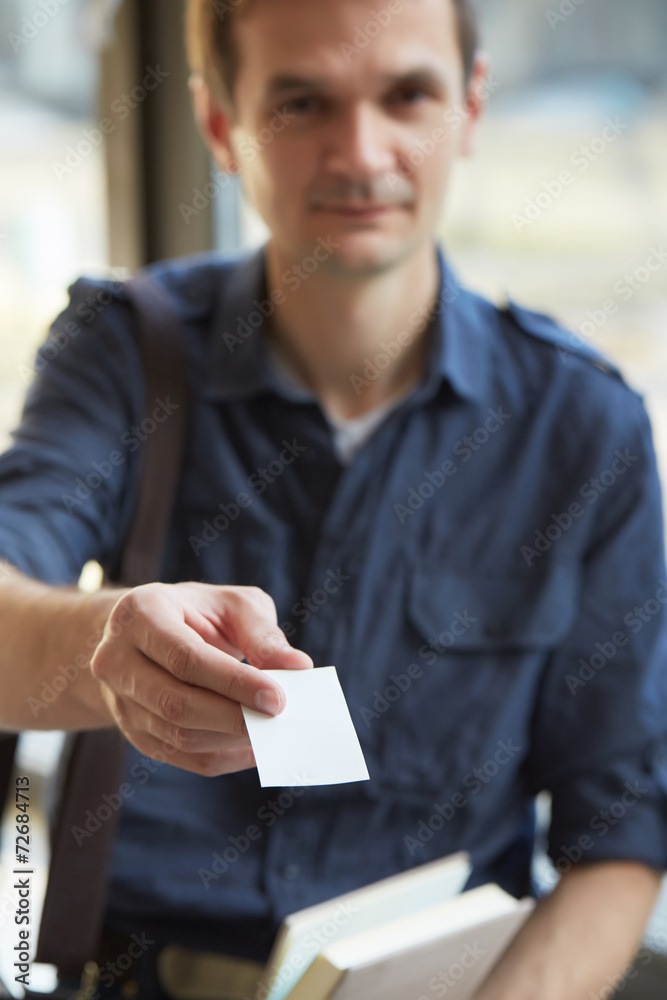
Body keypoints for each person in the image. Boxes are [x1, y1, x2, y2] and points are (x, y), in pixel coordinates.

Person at [1, 0, 666, 997]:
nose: (360, 153)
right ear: (221, 126)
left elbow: (620, 827)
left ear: (470, 107)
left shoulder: (584, 429)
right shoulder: (123, 350)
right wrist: (111, 650)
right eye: (302, 102)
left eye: (407, 95)